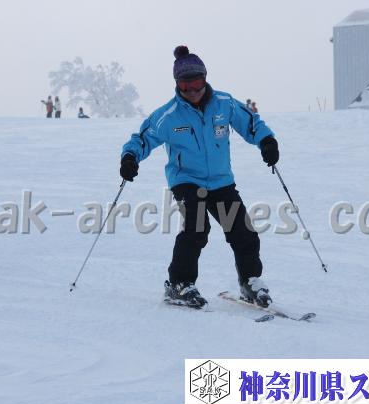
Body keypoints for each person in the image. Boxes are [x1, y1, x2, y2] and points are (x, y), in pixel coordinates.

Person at [120, 45, 280, 309]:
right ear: (177, 84)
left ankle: (250, 281)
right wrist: (129, 158)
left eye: (196, 83)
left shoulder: (224, 103)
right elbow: (142, 139)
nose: (192, 91)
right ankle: (179, 284)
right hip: (186, 181)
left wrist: (267, 141)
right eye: (186, 85)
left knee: (242, 231)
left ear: (205, 79)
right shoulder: (168, 115)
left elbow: (252, 124)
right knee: (197, 227)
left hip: (221, 180)